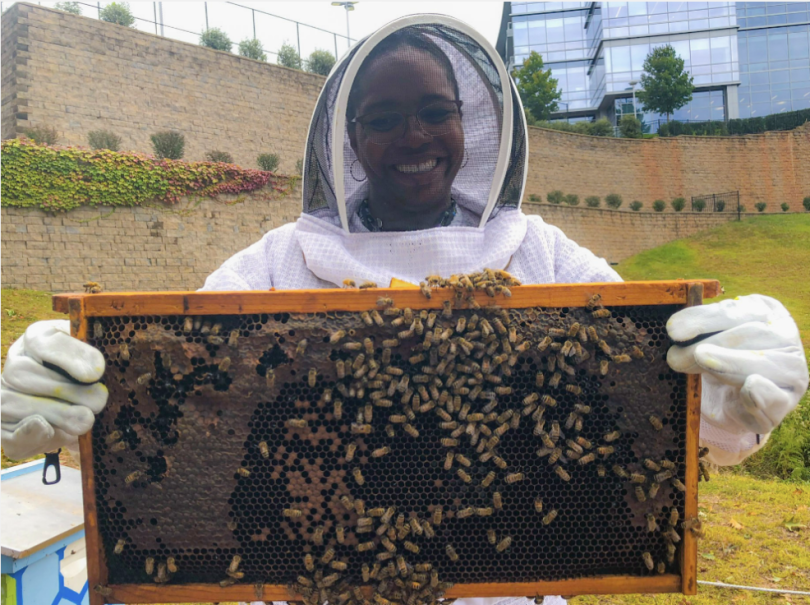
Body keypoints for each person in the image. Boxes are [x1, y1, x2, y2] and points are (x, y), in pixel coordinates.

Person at [1, 14, 806, 605]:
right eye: (383, 119)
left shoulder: (542, 257)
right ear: (350, 139)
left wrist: (735, 397)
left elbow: (663, 407)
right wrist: (63, 403)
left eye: (434, 111)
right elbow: (173, 413)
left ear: (472, 124)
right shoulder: (279, 264)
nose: (412, 135)